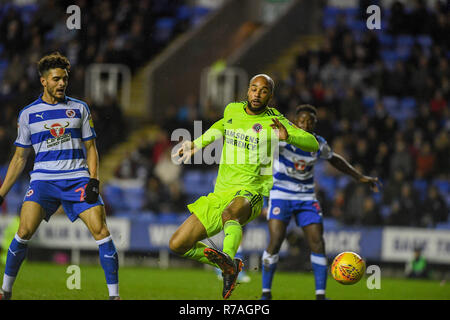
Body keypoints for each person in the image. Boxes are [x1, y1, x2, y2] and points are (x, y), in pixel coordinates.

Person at [169, 74, 319, 299]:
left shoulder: (275, 120)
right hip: (220, 192)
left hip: (251, 191)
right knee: (178, 244)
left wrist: (289, 138)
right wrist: (196, 144)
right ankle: (228, 267)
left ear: (270, 95)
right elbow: (222, 125)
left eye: (263, 90)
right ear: (247, 91)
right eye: (254, 89)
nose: (257, 94)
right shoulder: (232, 110)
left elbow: (313, 143)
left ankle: (229, 259)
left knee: (232, 213)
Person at [0, 52, 119, 300]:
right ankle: (5, 292)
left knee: (101, 230)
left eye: (64, 78)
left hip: (77, 179)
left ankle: (114, 296)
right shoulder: (28, 114)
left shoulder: (79, 109)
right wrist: (1, 194)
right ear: (44, 81)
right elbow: (20, 158)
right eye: (56, 79)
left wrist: (94, 181)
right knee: (23, 231)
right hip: (43, 181)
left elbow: (91, 148)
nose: (62, 83)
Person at [260, 104, 380, 300]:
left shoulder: (317, 143)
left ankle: (320, 295)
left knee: (318, 242)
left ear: (315, 124)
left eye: (310, 121)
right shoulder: (281, 138)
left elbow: (335, 160)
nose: (306, 124)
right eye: (302, 121)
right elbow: (261, 162)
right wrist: (264, 200)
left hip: (307, 196)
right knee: (275, 241)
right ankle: (266, 293)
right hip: (281, 195)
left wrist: (359, 177)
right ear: (295, 122)